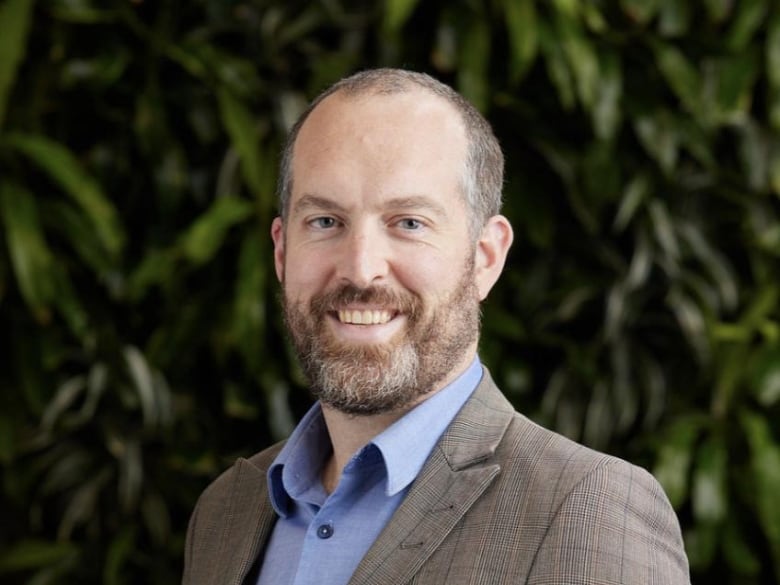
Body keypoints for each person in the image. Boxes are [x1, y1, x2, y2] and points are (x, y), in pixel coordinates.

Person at [182, 68, 691, 585]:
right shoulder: (227, 511)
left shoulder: (586, 510)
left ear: (486, 257)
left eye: (409, 223)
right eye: (325, 222)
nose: (361, 268)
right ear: (283, 251)